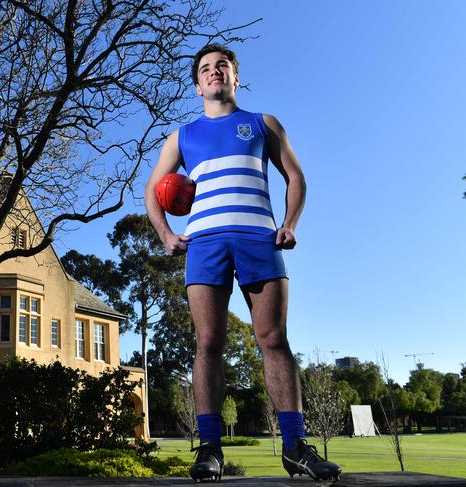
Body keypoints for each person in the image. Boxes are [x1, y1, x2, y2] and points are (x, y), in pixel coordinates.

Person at [145, 43, 341, 482]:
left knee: (273, 339)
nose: (214, 72)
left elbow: (296, 176)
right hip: (205, 243)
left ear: (236, 77)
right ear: (197, 85)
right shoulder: (181, 136)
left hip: (259, 237)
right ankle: (209, 449)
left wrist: (289, 223)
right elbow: (152, 188)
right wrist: (165, 234)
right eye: (206, 69)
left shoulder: (262, 124)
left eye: (223, 67)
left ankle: (295, 447)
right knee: (208, 343)